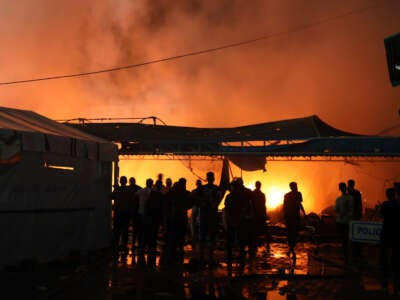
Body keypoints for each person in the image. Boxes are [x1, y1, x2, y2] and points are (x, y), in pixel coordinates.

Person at [224, 178, 257, 275]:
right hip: (237, 221)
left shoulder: (236, 196)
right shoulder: (231, 196)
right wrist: (233, 220)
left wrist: (234, 220)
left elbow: (244, 209)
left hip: (239, 222)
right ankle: (238, 261)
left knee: (239, 243)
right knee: (236, 243)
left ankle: (237, 261)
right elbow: (228, 210)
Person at [197, 171, 223, 267]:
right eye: (211, 177)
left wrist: (203, 203)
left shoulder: (205, 188)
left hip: (208, 216)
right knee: (208, 237)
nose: (211, 179)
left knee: (206, 237)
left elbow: (195, 197)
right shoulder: (214, 189)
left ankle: (204, 259)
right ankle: (206, 258)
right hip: (208, 216)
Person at [139, 179, 165, 269]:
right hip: (154, 219)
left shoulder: (152, 194)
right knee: (152, 236)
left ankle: (143, 252)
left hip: (149, 218)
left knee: (147, 235)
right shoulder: (160, 195)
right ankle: (150, 252)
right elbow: (161, 209)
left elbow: (147, 206)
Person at [380, 184, 400, 296]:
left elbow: (381, 214)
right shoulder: (398, 204)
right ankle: (396, 282)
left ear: (387, 195)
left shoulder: (385, 204)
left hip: (386, 234)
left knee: (384, 258)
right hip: (396, 235)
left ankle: (384, 282)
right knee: (395, 258)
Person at [111, 176, 134, 259]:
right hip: (126, 214)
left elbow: (111, 196)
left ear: (120, 182)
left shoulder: (118, 189)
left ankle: (115, 247)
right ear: (126, 181)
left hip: (118, 213)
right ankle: (124, 247)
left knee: (117, 231)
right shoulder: (129, 190)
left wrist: (115, 188)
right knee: (125, 232)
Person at [283, 181, 306, 262]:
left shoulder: (290, 195)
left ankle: (291, 249)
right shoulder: (295, 194)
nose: (296, 187)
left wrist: (304, 212)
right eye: (295, 186)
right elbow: (299, 204)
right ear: (292, 187)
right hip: (293, 217)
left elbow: (285, 206)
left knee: (293, 234)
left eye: (296, 186)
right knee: (293, 233)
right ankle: (291, 250)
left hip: (292, 217)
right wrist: (304, 213)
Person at [133, 178, 154, 265]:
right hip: (149, 215)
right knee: (149, 231)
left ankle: (140, 246)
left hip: (141, 213)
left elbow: (134, 196)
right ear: (151, 184)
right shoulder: (153, 192)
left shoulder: (140, 191)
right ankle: (148, 247)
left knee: (141, 231)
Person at [334, 182, 354, 263]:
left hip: (343, 221)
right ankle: (347, 255)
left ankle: (346, 256)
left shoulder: (340, 199)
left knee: (344, 239)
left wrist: (340, 214)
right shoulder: (349, 198)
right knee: (345, 239)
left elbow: (336, 209)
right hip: (345, 221)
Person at [252, 181, 270, 252]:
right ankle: (263, 244)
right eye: (258, 185)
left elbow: (264, 205)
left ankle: (266, 243)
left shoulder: (261, 194)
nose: (258, 186)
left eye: (258, 185)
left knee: (261, 230)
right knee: (257, 230)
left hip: (259, 214)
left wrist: (265, 214)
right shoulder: (255, 194)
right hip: (257, 214)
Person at [128, 177, 142, 257]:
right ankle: (138, 244)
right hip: (137, 211)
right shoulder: (139, 189)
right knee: (138, 229)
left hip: (130, 211)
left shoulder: (127, 189)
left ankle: (132, 244)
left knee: (130, 229)